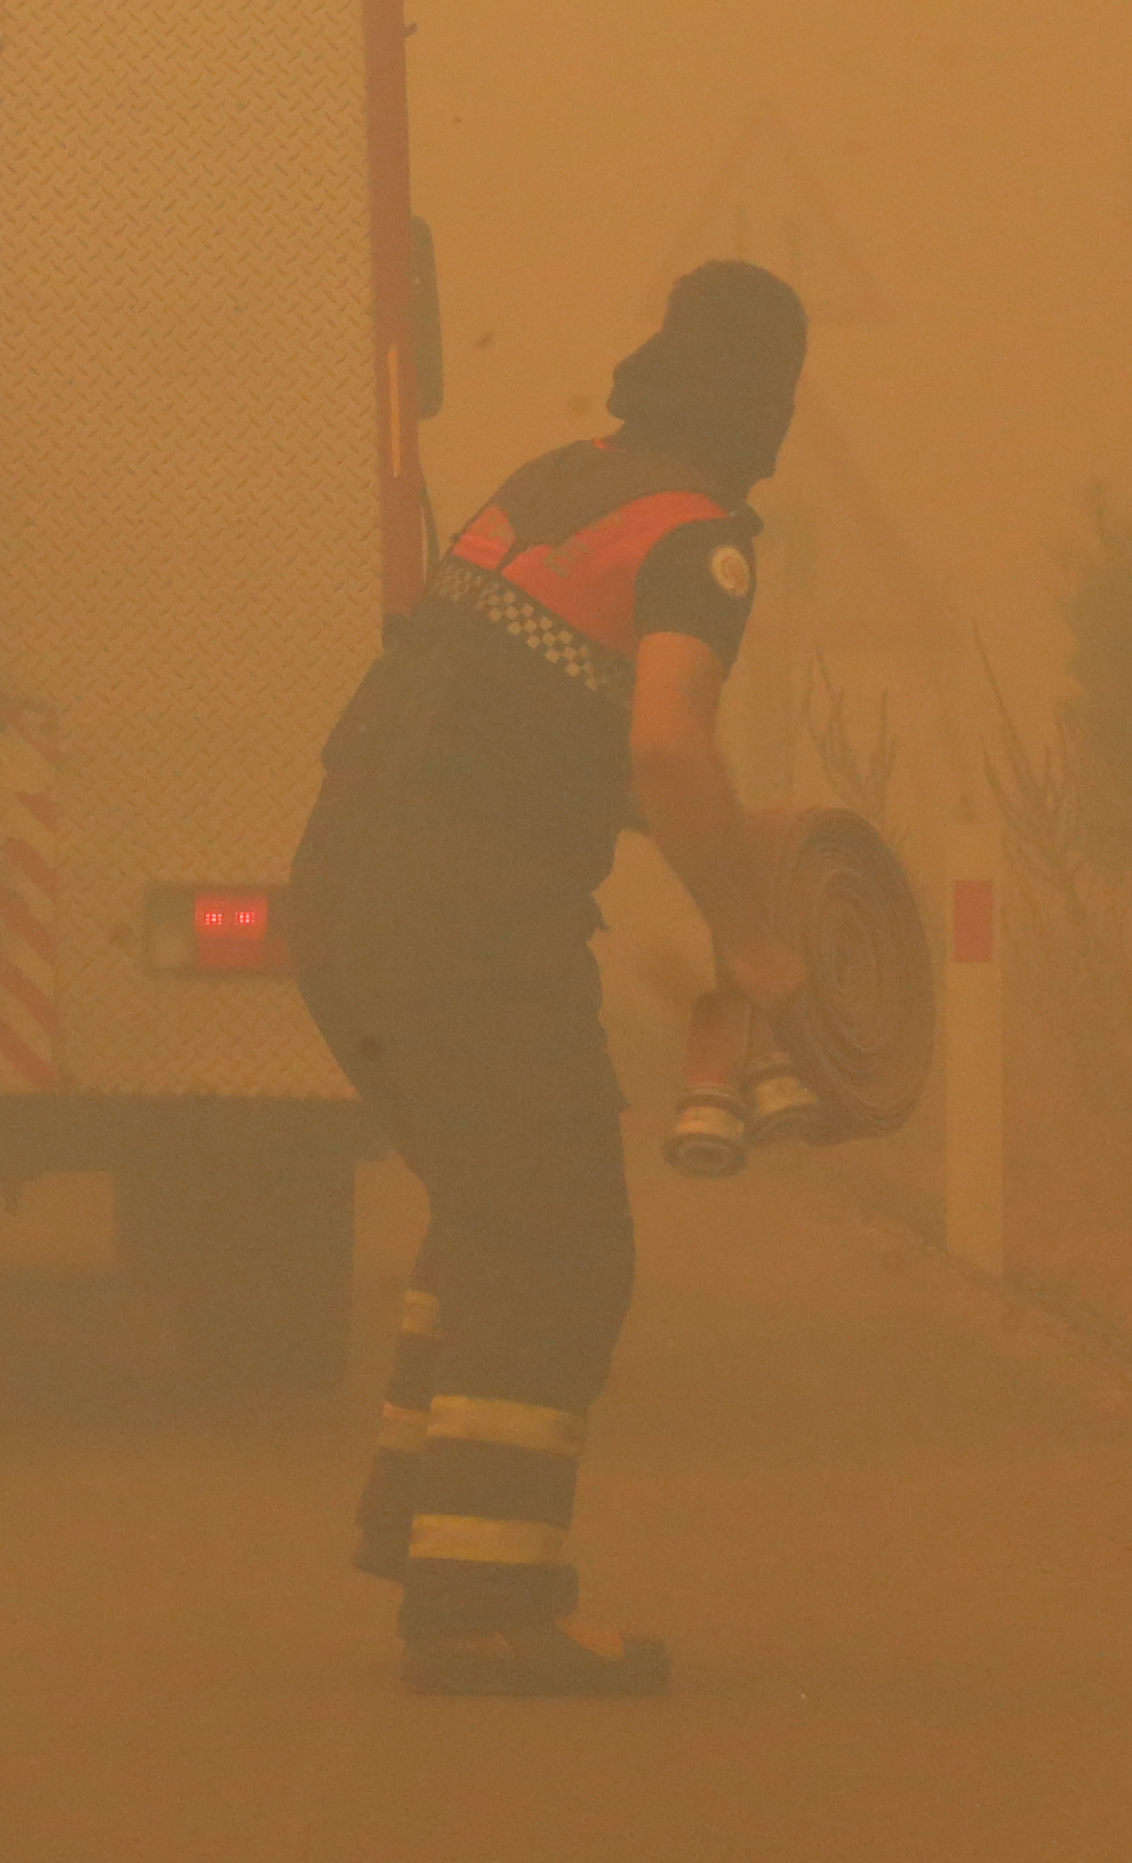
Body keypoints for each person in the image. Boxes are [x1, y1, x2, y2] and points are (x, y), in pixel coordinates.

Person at [285, 260, 813, 1696]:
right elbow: (664, 747)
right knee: (562, 1240)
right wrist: (753, 933)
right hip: (465, 925)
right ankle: (481, 1612)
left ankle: (427, 1527)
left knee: (492, 1208)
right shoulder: (703, 540)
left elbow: (537, 722)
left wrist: (707, 832)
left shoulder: (558, 479)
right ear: (768, 408)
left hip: (341, 895)